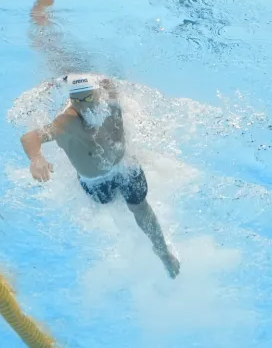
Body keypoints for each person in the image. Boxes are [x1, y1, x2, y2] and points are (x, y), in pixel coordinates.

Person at [20, 74, 181, 278]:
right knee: (108, 205)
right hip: (96, 183)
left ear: (98, 93)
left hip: (125, 167)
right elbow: (30, 137)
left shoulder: (111, 99)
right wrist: (36, 158)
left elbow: (109, 78)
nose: (81, 106)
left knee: (141, 208)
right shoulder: (66, 121)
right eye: (75, 100)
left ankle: (163, 253)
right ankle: (128, 256)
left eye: (87, 98)